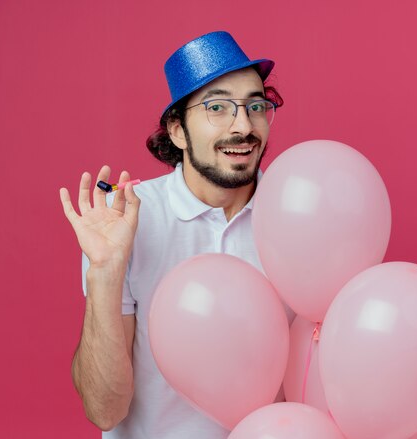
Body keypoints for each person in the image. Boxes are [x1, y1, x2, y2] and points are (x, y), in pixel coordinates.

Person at [59, 31, 291, 438]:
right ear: (178, 131)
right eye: (217, 107)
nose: (244, 125)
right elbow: (104, 411)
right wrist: (104, 274)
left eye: (256, 105)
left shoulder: (297, 216)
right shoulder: (129, 220)